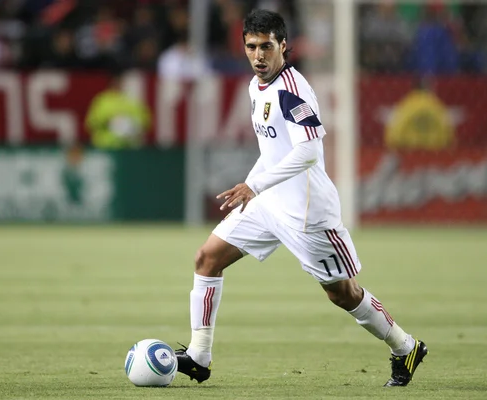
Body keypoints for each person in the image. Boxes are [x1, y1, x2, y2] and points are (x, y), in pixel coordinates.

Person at [174, 9, 428, 388]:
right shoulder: (254, 86)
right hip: (267, 203)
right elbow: (274, 150)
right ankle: (199, 355)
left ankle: (404, 346)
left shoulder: (292, 90)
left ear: (283, 46)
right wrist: (250, 186)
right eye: (251, 47)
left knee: (343, 294)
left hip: (308, 214)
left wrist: (254, 187)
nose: (258, 55)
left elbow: (308, 151)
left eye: (266, 47)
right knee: (206, 258)